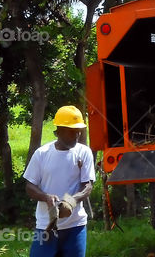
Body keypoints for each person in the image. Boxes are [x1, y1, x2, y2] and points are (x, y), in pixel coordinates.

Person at [24, 105, 95, 257]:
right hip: (46, 226)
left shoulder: (84, 152)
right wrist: (46, 197)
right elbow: (30, 186)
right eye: (71, 132)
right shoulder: (41, 154)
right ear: (58, 131)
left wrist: (70, 201)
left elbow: (87, 186)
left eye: (78, 132)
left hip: (75, 226)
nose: (76, 136)